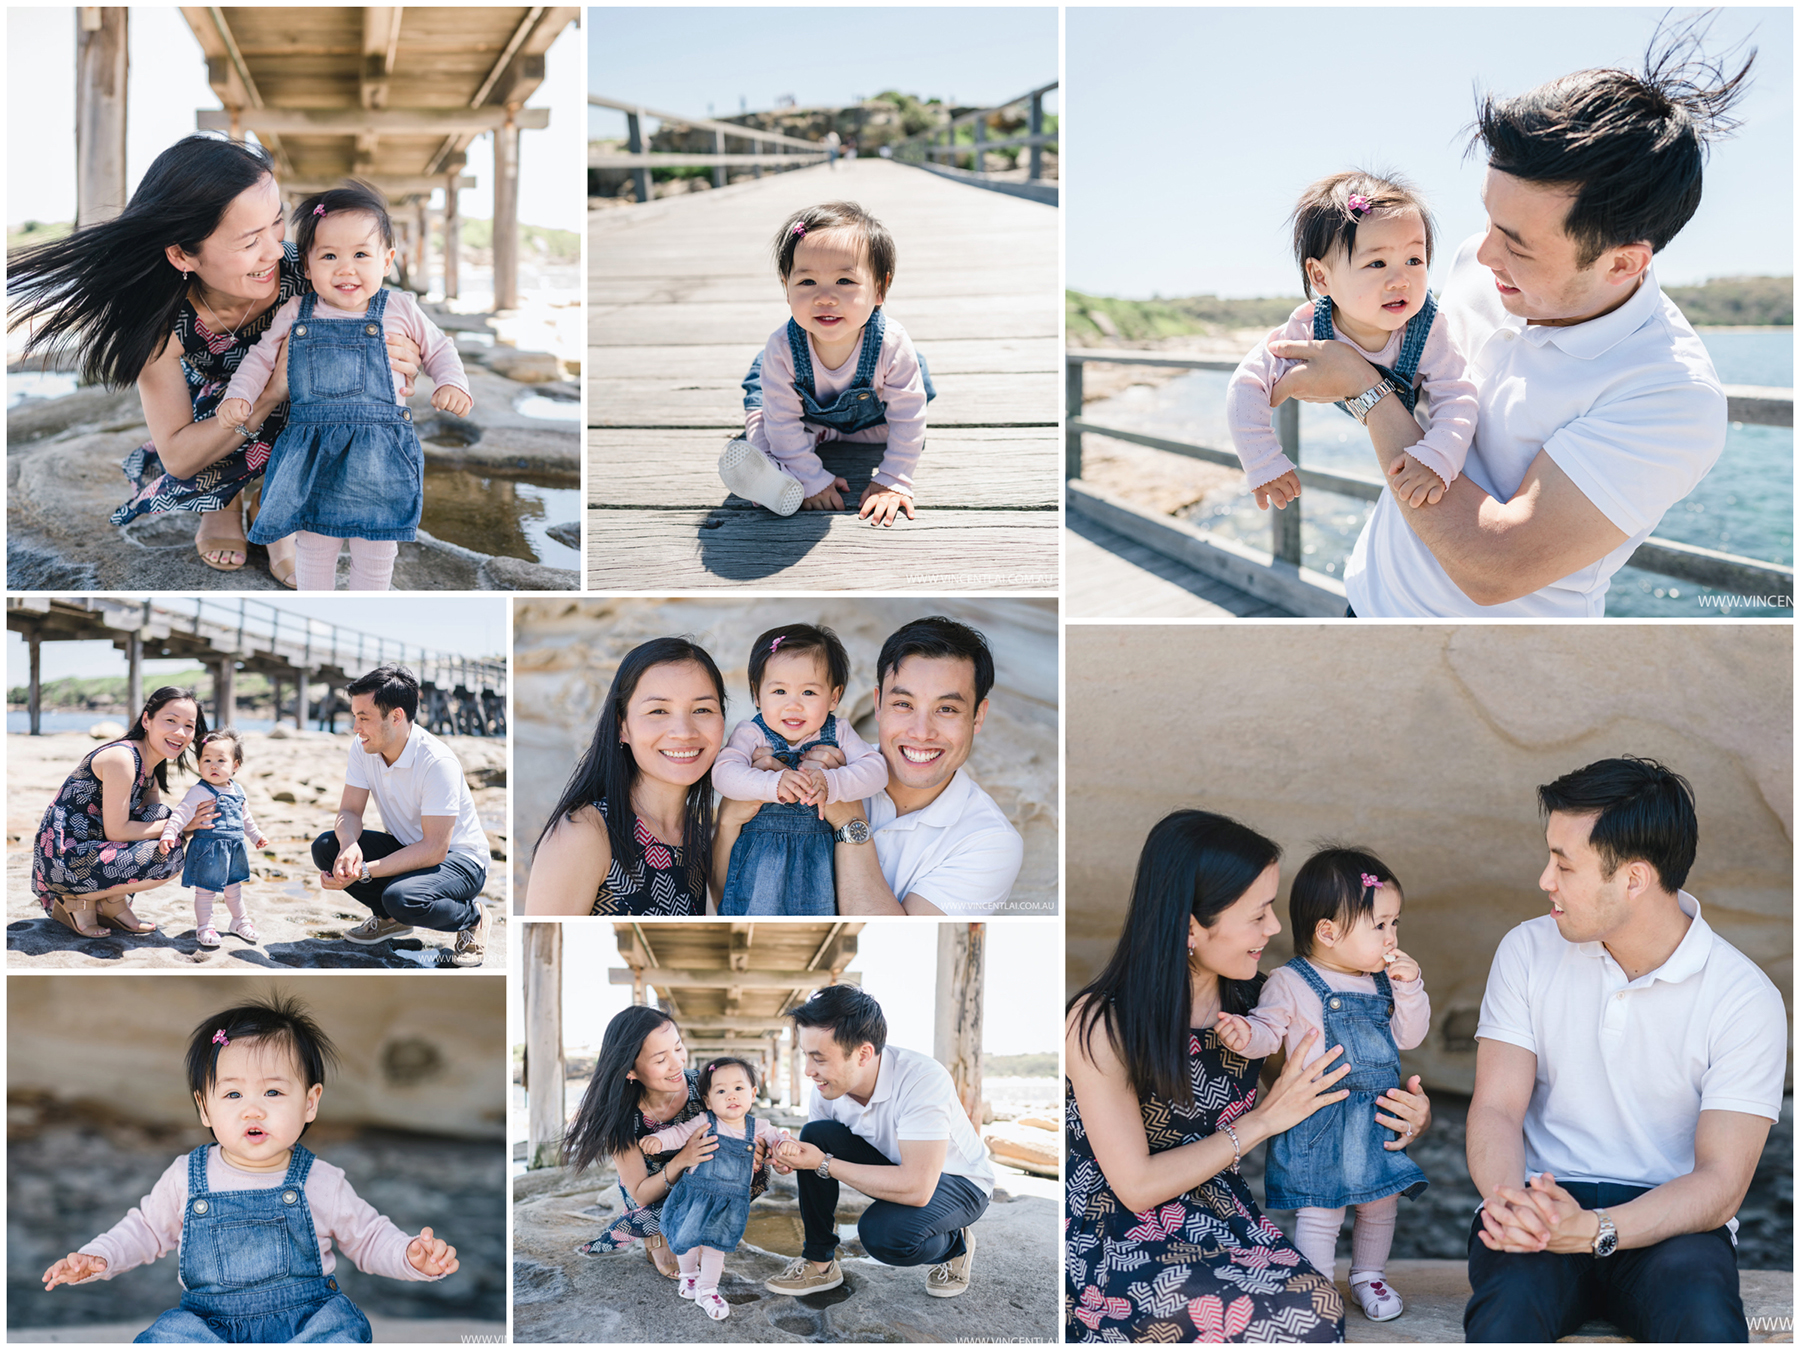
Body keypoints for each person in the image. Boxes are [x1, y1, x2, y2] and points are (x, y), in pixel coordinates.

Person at [1270, 23, 1753, 616]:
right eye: (1489, 220)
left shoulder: (1671, 396)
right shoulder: (1482, 263)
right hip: (1365, 602)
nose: (1483, 253)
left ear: (1623, 262)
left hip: (1492, 677)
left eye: (1518, 245)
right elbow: (1420, 398)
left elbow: (1494, 568)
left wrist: (1365, 394)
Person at [1065, 810, 1435, 1343]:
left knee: (1315, 1308)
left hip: (1224, 1215)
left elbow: (1323, 1090)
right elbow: (1137, 1187)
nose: (1276, 928)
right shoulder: (1102, 1021)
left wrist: (1402, 1113)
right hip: (1119, 1233)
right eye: (1258, 913)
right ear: (1191, 925)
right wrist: (1261, 1122)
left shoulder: (1255, 1000)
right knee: (1297, 1317)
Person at [1463, 757, 1785, 1342]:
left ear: (1633, 879)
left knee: (1704, 1321)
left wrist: (1594, 1230)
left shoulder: (1744, 998)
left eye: (1564, 864)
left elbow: (1720, 1182)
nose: (1545, 880)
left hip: (1674, 1226)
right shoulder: (1527, 950)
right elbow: (1496, 1108)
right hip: (1541, 1200)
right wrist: (1514, 1204)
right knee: (1505, 1314)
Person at [6, 134, 421, 586]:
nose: (273, 251)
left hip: (310, 407)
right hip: (218, 410)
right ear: (183, 253)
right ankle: (220, 507)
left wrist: (400, 356)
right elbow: (180, 457)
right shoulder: (158, 324)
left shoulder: (308, 273)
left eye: (276, 223)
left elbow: (383, 315)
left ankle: (274, 501)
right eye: (248, 241)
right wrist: (268, 392)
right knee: (234, 396)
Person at [40, 996, 458, 1342]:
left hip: (307, 1322)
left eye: (274, 1091)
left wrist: (409, 1255)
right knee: (167, 1338)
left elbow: (367, 1238)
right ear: (205, 1106)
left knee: (338, 1334)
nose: (252, 1109)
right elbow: (145, 1230)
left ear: (310, 1102)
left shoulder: (321, 1181)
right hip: (209, 1325)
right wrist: (98, 1256)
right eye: (233, 1093)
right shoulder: (188, 1175)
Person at [221, 182, 473, 592]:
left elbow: (439, 348)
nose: (346, 268)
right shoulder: (295, 311)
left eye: (360, 254)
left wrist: (451, 383)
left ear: (387, 259)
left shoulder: (400, 307)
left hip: (379, 448)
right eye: (329, 256)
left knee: (376, 546)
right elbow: (261, 359)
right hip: (312, 447)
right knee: (314, 541)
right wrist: (240, 394)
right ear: (306, 265)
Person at [1217, 846, 1431, 1324]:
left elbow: (1410, 1036)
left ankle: (1368, 1275)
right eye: (1380, 925)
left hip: (1375, 1113)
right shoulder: (1291, 982)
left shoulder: (1382, 984)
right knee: (1321, 1209)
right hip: (1320, 1115)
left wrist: (1410, 987)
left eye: (1395, 923)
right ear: (1328, 932)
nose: (1392, 937)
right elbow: (1271, 1032)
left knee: (1380, 1202)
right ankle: (1313, 1284)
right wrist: (1245, 1034)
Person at [1228, 170, 1477, 513]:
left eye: (1414, 260)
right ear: (1321, 277)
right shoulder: (1307, 329)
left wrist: (1436, 457)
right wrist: (1263, 461)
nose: (1400, 279)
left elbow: (1458, 397)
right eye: (1377, 263)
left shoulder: (1427, 328)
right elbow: (1246, 385)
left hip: (1408, 430)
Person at [764, 986, 993, 1301]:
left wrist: (821, 1163)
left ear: (863, 1054)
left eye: (819, 1058)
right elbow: (814, 1153)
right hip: (899, 1166)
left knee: (884, 1235)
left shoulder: (921, 1079)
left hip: (958, 1181)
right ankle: (820, 1264)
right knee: (815, 1133)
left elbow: (916, 1187)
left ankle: (956, 1243)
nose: (808, 1071)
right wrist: (792, 1156)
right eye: (806, 1056)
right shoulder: (827, 1089)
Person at [719, 201, 937, 526]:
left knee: (906, 432)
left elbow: (908, 416)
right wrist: (811, 479)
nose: (825, 297)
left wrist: (893, 478)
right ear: (786, 287)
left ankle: (781, 460)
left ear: (880, 289)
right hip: (804, 414)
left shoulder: (891, 343)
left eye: (845, 282)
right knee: (772, 418)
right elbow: (783, 420)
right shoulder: (782, 348)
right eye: (807, 283)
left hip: (872, 419)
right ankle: (766, 459)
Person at [563, 1007, 773, 1280]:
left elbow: (745, 1124)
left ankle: (701, 1231)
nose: (677, 1064)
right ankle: (657, 1235)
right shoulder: (620, 1117)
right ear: (629, 1071)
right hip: (654, 1190)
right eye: (661, 1059)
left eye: (678, 1048)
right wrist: (682, 1159)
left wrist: (760, 1149)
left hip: (705, 1182)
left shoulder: (707, 1087)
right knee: (652, 1202)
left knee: (756, 1171)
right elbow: (640, 1193)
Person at [525, 638, 725, 916]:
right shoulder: (585, 832)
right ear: (623, 727)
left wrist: (731, 820)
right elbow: (540, 948)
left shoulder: (696, 835)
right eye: (658, 711)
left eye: (702, 710)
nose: (684, 731)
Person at [311, 665, 492, 966]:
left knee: (401, 897)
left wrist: (364, 871)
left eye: (363, 718)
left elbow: (435, 849)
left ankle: (472, 918)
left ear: (395, 716)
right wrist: (348, 846)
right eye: (354, 716)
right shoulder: (363, 748)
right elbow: (349, 811)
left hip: (459, 860)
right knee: (326, 847)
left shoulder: (437, 762)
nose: (356, 728)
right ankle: (389, 920)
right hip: (408, 848)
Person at [712, 623, 887, 916]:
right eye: (779, 691)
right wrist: (771, 784)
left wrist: (832, 782)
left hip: (819, 858)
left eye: (808, 692)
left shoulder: (840, 732)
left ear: (834, 696)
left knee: (821, 910)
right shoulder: (752, 733)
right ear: (757, 695)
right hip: (760, 856)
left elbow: (876, 771)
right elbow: (723, 773)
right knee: (754, 909)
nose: (793, 705)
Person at [30, 686, 210, 939]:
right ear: (147, 720)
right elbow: (118, 830)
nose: (180, 732)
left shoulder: (152, 763)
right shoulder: (123, 758)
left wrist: (178, 826)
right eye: (170, 720)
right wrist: (183, 824)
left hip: (93, 847)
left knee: (163, 822)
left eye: (189, 726)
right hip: (64, 858)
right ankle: (74, 900)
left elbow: (153, 818)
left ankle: (112, 904)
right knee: (168, 854)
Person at [640, 1057, 796, 1320]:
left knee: (716, 1246)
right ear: (709, 1101)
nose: (731, 1096)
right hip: (696, 1194)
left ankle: (708, 1289)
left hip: (730, 1201)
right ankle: (689, 1277)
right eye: (721, 1091)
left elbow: (777, 1140)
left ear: (753, 1093)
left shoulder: (759, 1127)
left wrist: (784, 1145)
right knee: (686, 1240)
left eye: (738, 1088)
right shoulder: (705, 1121)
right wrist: (658, 1139)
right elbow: (678, 1134)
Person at [157, 728, 269, 948]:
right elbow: (180, 813)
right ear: (199, 765)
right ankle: (205, 927)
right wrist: (169, 832)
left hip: (234, 849)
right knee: (206, 892)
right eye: (207, 760)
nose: (213, 765)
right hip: (207, 849)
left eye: (221, 760)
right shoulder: (200, 791)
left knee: (234, 889)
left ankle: (239, 921)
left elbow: (246, 817)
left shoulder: (238, 790)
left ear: (235, 766)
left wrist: (256, 835)